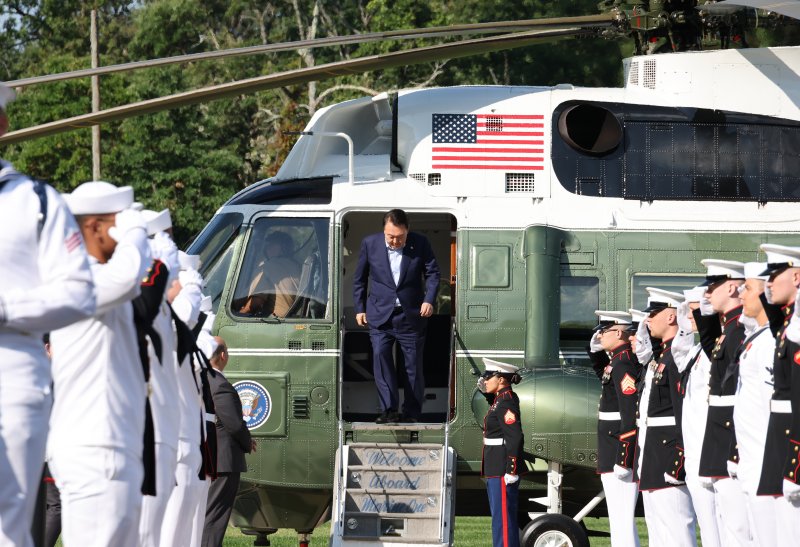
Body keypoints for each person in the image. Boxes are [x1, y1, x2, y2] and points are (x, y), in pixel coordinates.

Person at [0, 82, 96, 547]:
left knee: (9, 528)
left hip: (12, 373)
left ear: (1, 125)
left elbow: (77, 293)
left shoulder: (36, 202)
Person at [48, 181, 151, 547]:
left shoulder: (101, 279)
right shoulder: (79, 277)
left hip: (110, 445)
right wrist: (136, 232)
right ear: (93, 226)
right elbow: (126, 278)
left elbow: (133, 282)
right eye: (116, 221)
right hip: (94, 449)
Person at [352, 209, 441, 423]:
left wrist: (429, 299)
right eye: (390, 236)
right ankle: (389, 409)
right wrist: (360, 308)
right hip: (380, 314)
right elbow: (360, 279)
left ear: (407, 231)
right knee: (381, 357)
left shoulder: (420, 243)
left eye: (399, 237)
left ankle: (411, 413)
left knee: (412, 367)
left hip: (411, 316)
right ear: (383, 231)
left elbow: (432, 273)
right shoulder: (370, 243)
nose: (394, 241)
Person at [693, 259, 750, 546]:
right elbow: (710, 344)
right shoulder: (728, 330)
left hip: (731, 441)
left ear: (731, 286)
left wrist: (736, 450)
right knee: (729, 526)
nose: (706, 294)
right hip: (720, 438)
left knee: (739, 529)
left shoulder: (740, 330)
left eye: (712, 287)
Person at [637, 288, 696, 547]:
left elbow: (683, 409)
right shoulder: (662, 355)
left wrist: (679, 457)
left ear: (671, 317)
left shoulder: (677, 357)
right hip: (653, 453)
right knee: (658, 530)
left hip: (668, 453)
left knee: (676, 529)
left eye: (653, 314)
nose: (647, 320)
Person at [756, 244, 800, 543]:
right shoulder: (788, 325)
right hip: (780, 441)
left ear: (797, 276)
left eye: (775, 276)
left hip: (791, 445)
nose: (767, 284)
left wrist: (797, 463)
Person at [673, 287, 722, 547]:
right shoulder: (694, 353)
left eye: (694, 310)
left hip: (711, 450)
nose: (689, 315)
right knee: (708, 526)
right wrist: (683, 321)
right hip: (694, 452)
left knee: (723, 530)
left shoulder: (716, 351)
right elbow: (678, 354)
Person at [587, 311, 640, 547]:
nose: (599, 336)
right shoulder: (616, 361)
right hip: (611, 446)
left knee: (622, 519)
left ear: (619, 332)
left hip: (618, 448)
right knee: (617, 518)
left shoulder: (624, 361)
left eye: (603, 331)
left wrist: (624, 456)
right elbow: (604, 376)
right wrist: (594, 353)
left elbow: (629, 412)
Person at [734, 262, 778, 545]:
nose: (740, 295)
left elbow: (776, 409)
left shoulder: (771, 341)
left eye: (747, 288)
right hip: (751, 463)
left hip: (768, 466)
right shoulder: (757, 339)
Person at [202, 337, 256, 547]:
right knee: (215, 517)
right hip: (223, 461)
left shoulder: (203, 380)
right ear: (223, 355)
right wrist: (247, 441)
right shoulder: (220, 384)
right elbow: (233, 423)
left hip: (211, 457)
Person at [478, 358, 524, 547]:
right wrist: (484, 388)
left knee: (503, 521)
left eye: (489, 377)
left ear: (502, 379)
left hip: (502, 467)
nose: (485, 380)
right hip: (495, 465)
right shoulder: (500, 399)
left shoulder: (506, 401)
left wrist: (511, 469)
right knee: (500, 519)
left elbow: (515, 437)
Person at [238, 230, 300, 318]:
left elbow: (255, 302)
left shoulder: (267, 267)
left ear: (284, 248)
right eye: (268, 244)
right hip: (293, 321)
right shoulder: (297, 266)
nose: (268, 247)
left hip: (277, 322)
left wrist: (240, 313)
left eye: (273, 244)